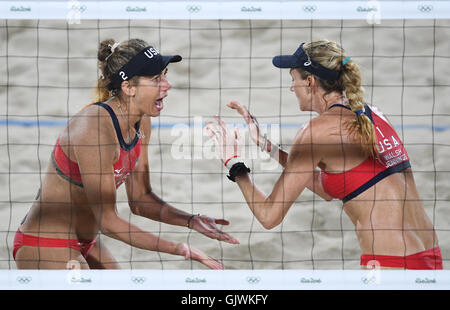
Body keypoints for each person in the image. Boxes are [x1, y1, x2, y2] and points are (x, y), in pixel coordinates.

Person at [206, 39, 442, 270]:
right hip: (429, 255)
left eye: (293, 80)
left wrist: (234, 163)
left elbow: (269, 216)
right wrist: (266, 145)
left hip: (391, 264)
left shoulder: (315, 132)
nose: (291, 88)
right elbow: (328, 188)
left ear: (309, 81)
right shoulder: (372, 115)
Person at [13, 38, 238, 270]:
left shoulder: (143, 122)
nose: (167, 85)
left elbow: (140, 200)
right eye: (156, 79)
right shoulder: (94, 129)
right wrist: (181, 249)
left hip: (87, 242)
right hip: (44, 242)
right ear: (128, 87)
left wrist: (191, 221)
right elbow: (108, 222)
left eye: (165, 75)